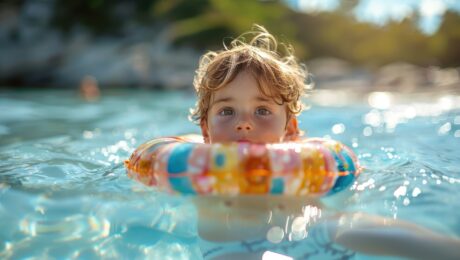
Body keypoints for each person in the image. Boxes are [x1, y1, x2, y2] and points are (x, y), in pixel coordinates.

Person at [188, 25, 460, 259]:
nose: (243, 123)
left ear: (290, 130)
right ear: (206, 131)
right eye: (227, 111)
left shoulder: (306, 193)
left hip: (304, 231)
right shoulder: (189, 181)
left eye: (262, 110)